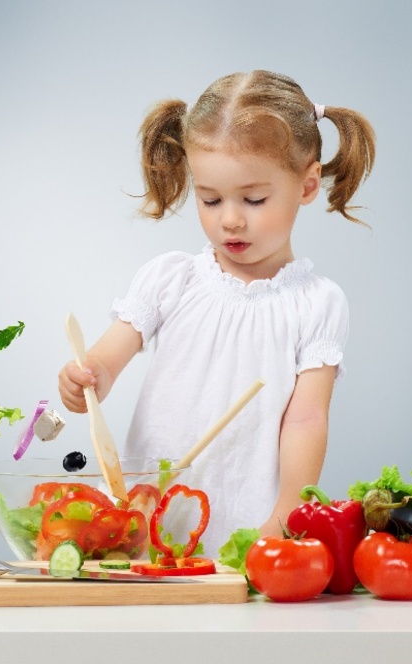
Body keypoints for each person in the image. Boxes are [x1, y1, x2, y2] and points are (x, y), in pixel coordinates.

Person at [58, 70, 376, 556]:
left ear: (307, 185)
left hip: (249, 522)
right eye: (210, 199)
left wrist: (288, 512)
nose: (229, 218)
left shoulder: (317, 303)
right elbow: (105, 361)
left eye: (253, 199)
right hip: (147, 517)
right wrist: (87, 380)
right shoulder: (172, 278)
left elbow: (307, 420)